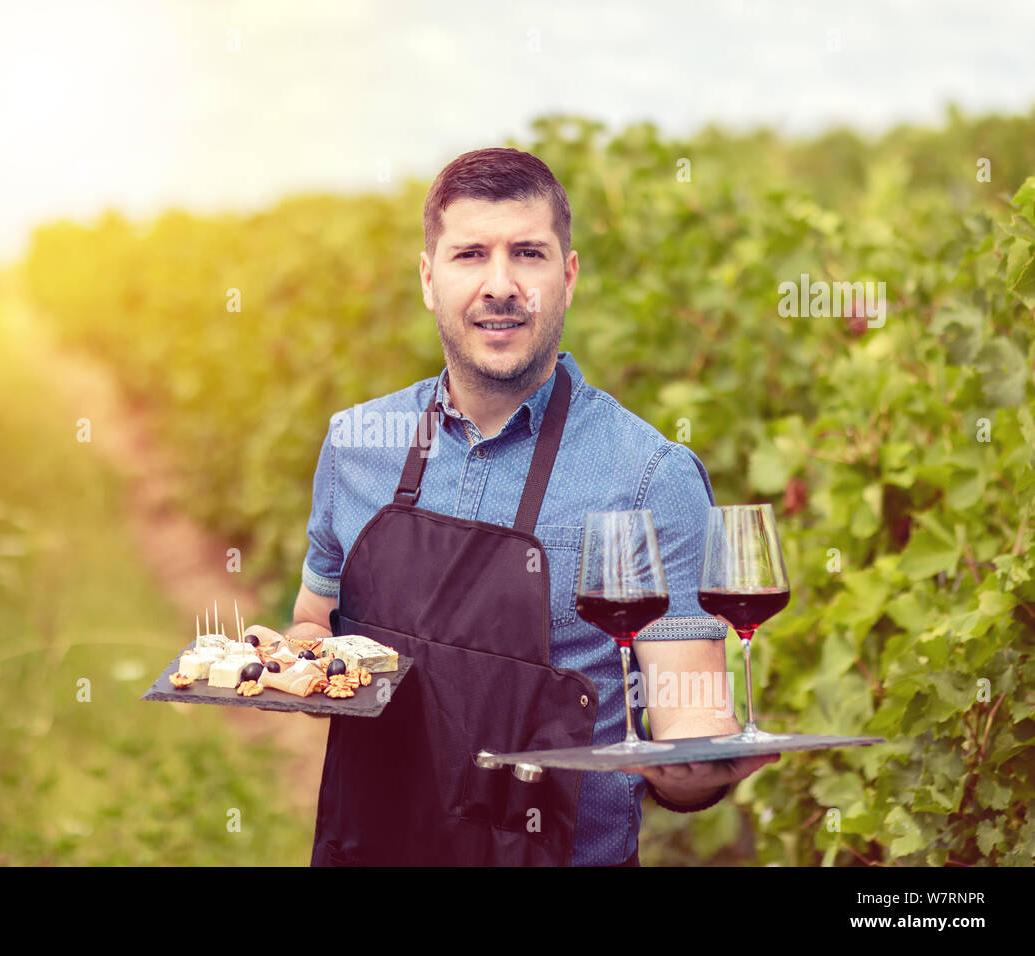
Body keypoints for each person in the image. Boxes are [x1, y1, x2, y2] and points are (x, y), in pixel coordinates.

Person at [285, 147, 777, 866]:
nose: (500, 284)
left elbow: (688, 724)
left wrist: (697, 770)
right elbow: (312, 620)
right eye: (469, 254)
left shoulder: (649, 477)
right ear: (429, 279)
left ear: (567, 277)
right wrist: (289, 661)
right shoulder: (357, 445)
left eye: (528, 253)